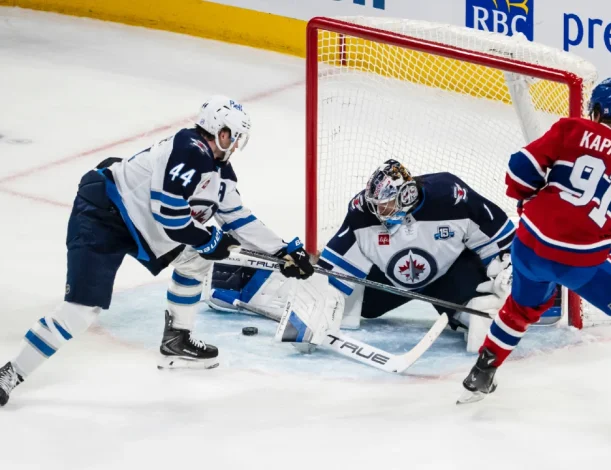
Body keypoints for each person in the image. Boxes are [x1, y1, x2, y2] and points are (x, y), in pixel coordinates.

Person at [0, 96, 314, 407]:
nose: (235, 145)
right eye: (233, 137)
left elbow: (237, 218)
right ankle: (11, 374)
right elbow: (170, 215)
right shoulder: (189, 149)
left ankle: (177, 340)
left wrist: (282, 251)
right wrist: (207, 241)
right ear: (221, 132)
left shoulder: (220, 173)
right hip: (103, 216)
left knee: (195, 262)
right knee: (80, 311)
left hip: (144, 227)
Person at [459, 78, 611, 444]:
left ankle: (481, 373)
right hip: (580, 260)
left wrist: (527, 199)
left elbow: (519, 168)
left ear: (595, 110)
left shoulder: (571, 128)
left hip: (528, 243)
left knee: (523, 306)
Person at [205, 160, 526, 352]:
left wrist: (506, 272)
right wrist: (314, 311)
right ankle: (241, 283)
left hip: (451, 274)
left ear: (406, 195)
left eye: (385, 205)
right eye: (376, 205)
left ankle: (529, 302)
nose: (378, 211)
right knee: (355, 307)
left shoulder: (451, 195)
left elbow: (500, 239)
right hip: (389, 281)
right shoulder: (363, 213)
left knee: (483, 311)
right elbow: (331, 270)